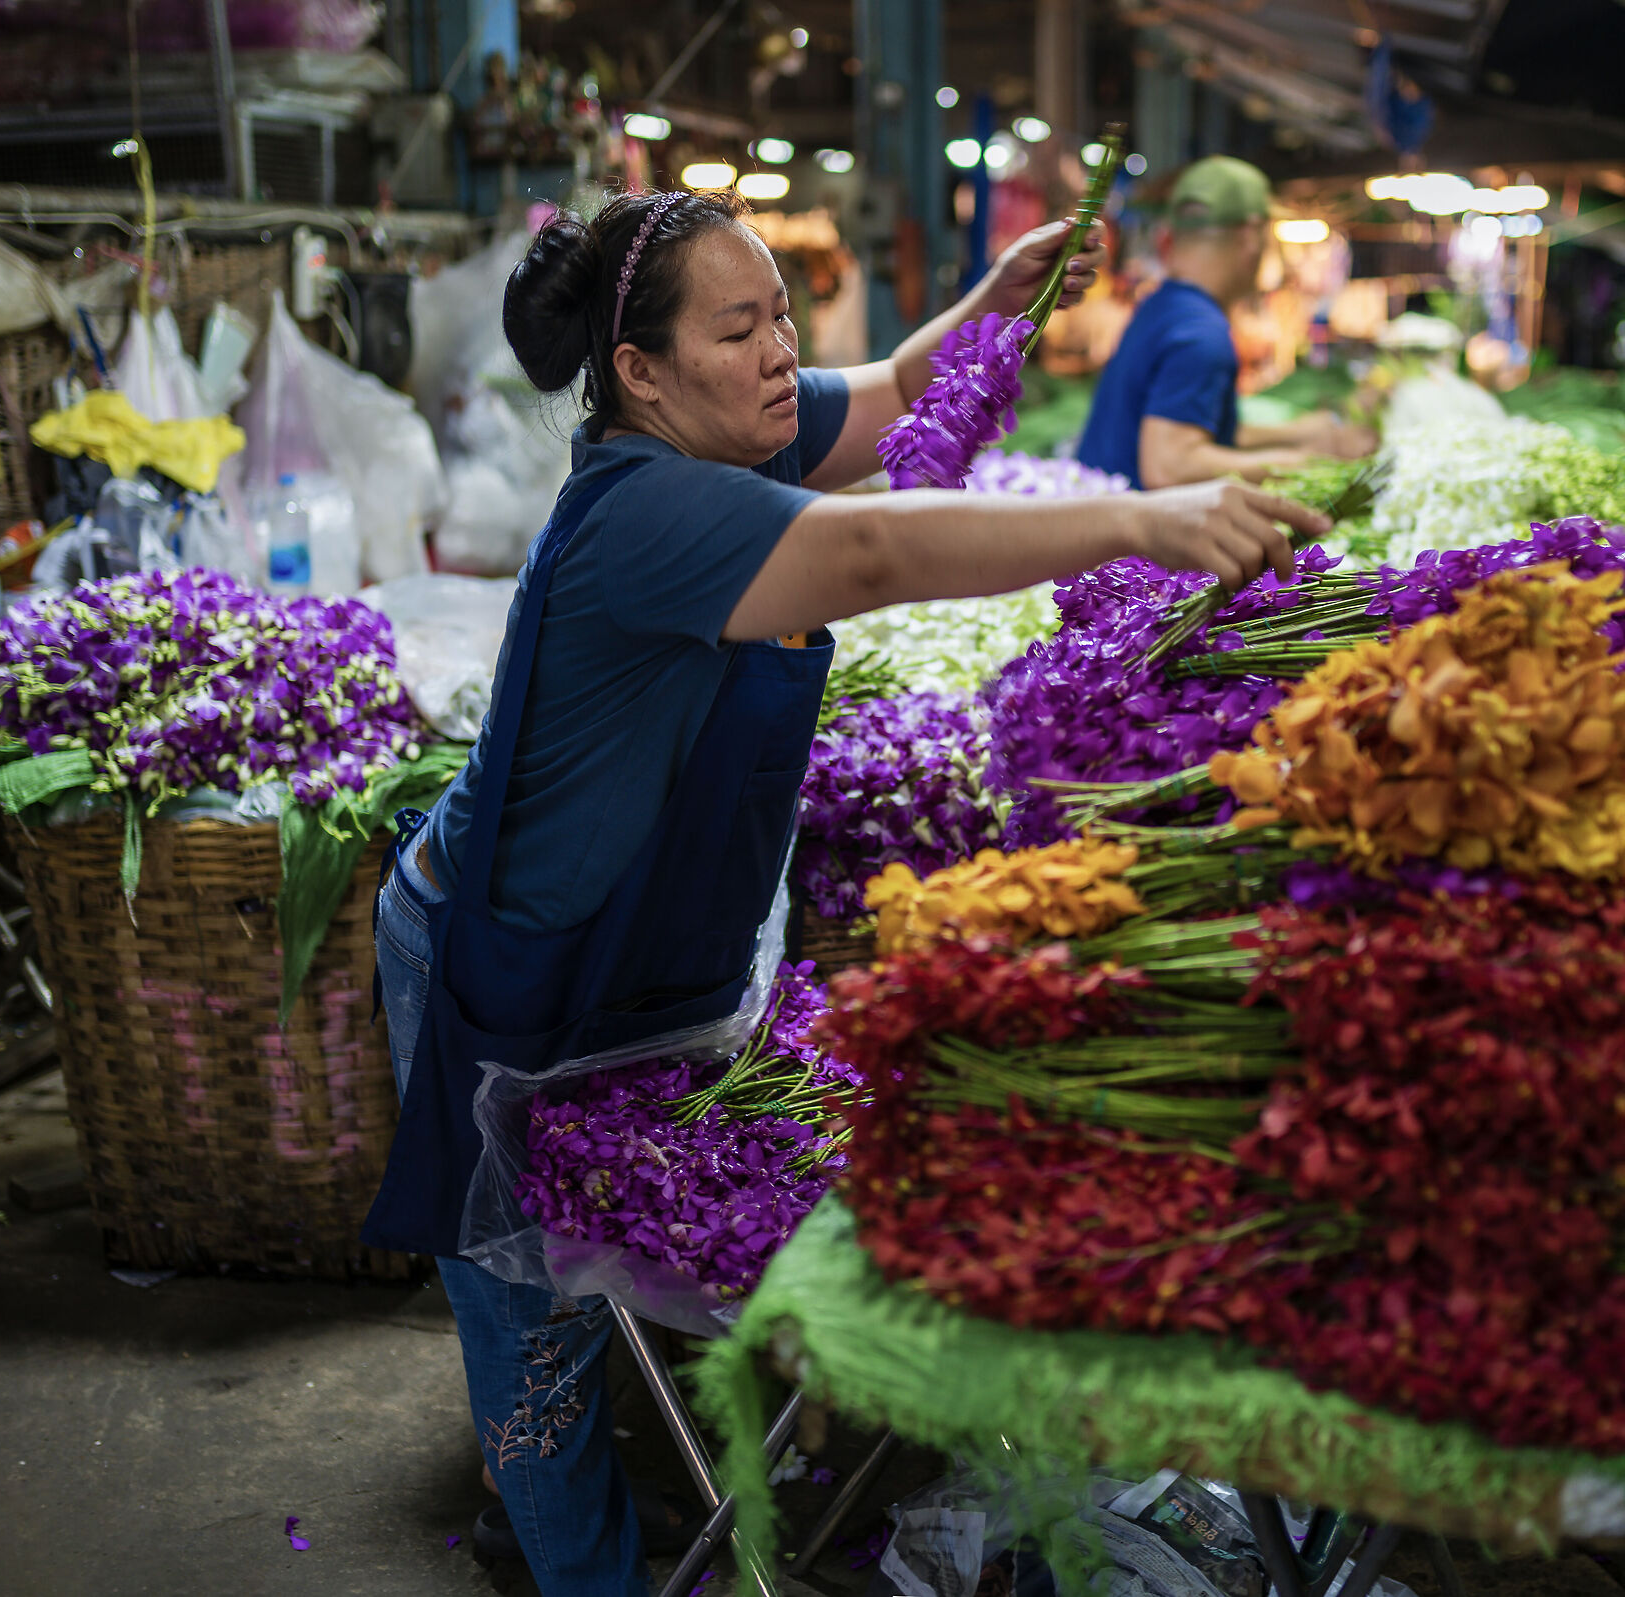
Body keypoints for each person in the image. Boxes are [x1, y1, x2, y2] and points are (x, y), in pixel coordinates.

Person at [360, 186, 1326, 1595]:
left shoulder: (715, 417)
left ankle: (564, 1504)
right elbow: (870, 550)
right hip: (491, 953)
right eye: (741, 329)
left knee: (580, 1262)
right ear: (639, 373)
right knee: (530, 1329)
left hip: (613, 949)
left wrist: (1003, 294)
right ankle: (580, 1562)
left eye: (781, 320)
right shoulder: (642, 514)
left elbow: (881, 398)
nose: (779, 354)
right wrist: (1140, 516)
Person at [1076, 156, 1374, 489]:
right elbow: (1170, 466)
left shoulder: (1161, 306)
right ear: (1250, 237)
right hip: (1128, 533)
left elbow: (1197, 428)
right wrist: (1309, 460)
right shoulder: (1200, 333)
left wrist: (1299, 435)